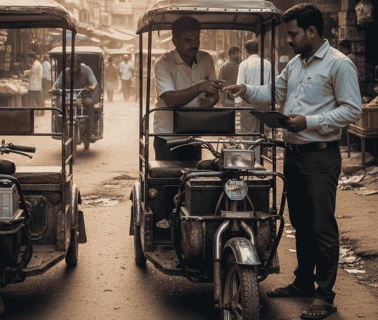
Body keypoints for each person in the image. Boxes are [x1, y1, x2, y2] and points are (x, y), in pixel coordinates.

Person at [223, 4, 361, 319]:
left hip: (320, 156)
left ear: (312, 31)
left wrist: (308, 121)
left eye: (293, 33)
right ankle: (303, 283)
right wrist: (244, 90)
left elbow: (352, 109)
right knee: (300, 223)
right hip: (294, 155)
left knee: (321, 227)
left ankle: (324, 297)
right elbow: (274, 91)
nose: (290, 40)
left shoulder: (339, 65)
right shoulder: (297, 64)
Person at [153, 16, 224, 161]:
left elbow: (214, 94)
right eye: (188, 40)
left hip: (194, 136)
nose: (194, 44)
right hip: (167, 138)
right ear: (175, 41)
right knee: (168, 181)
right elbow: (171, 100)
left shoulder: (206, 59)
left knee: (193, 180)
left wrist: (205, 105)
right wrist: (199, 87)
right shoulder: (163, 64)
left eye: (196, 39)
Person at [236, 40, 275, 162]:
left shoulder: (244, 64)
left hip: (248, 103)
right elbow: (274, 84)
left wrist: (237, 103)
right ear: (258, 49)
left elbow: (240, 85)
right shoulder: (268, 64)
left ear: (246, 50)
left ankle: (250, 161)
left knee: (248, 133)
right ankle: (258, 161)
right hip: (264, 102)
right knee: (261, 133)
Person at [51, 55, 98, 140]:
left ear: (79, 64)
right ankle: (61, 130)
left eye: (75, 66)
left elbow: (93, 81)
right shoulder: (66, 72)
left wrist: (93, 86)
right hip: (69, 96)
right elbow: (57, 83)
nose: (73, 69)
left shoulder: (87, 69)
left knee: (90, 104)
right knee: (58, 107)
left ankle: (90, 132)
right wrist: (54, 88)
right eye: (71, 67)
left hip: (83, 95)